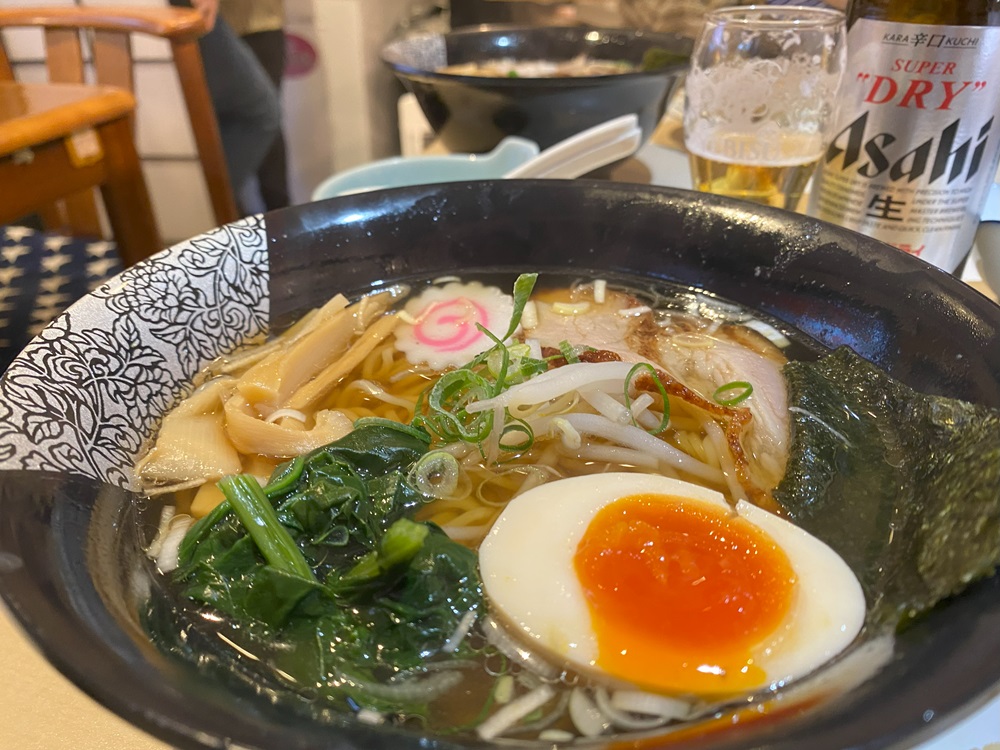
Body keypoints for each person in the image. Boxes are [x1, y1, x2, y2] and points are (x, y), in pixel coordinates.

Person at [168, 0, 281, 215]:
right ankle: (207, 216)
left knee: (261, 125)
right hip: (194, 15)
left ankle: (212, 215)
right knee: (255, 118)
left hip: (255, 19)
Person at [219, 0, 290, 210]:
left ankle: (280, 218)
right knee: (215, 132)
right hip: (203, 27)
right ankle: (229, 217)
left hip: (259, 22)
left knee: (266, 120)